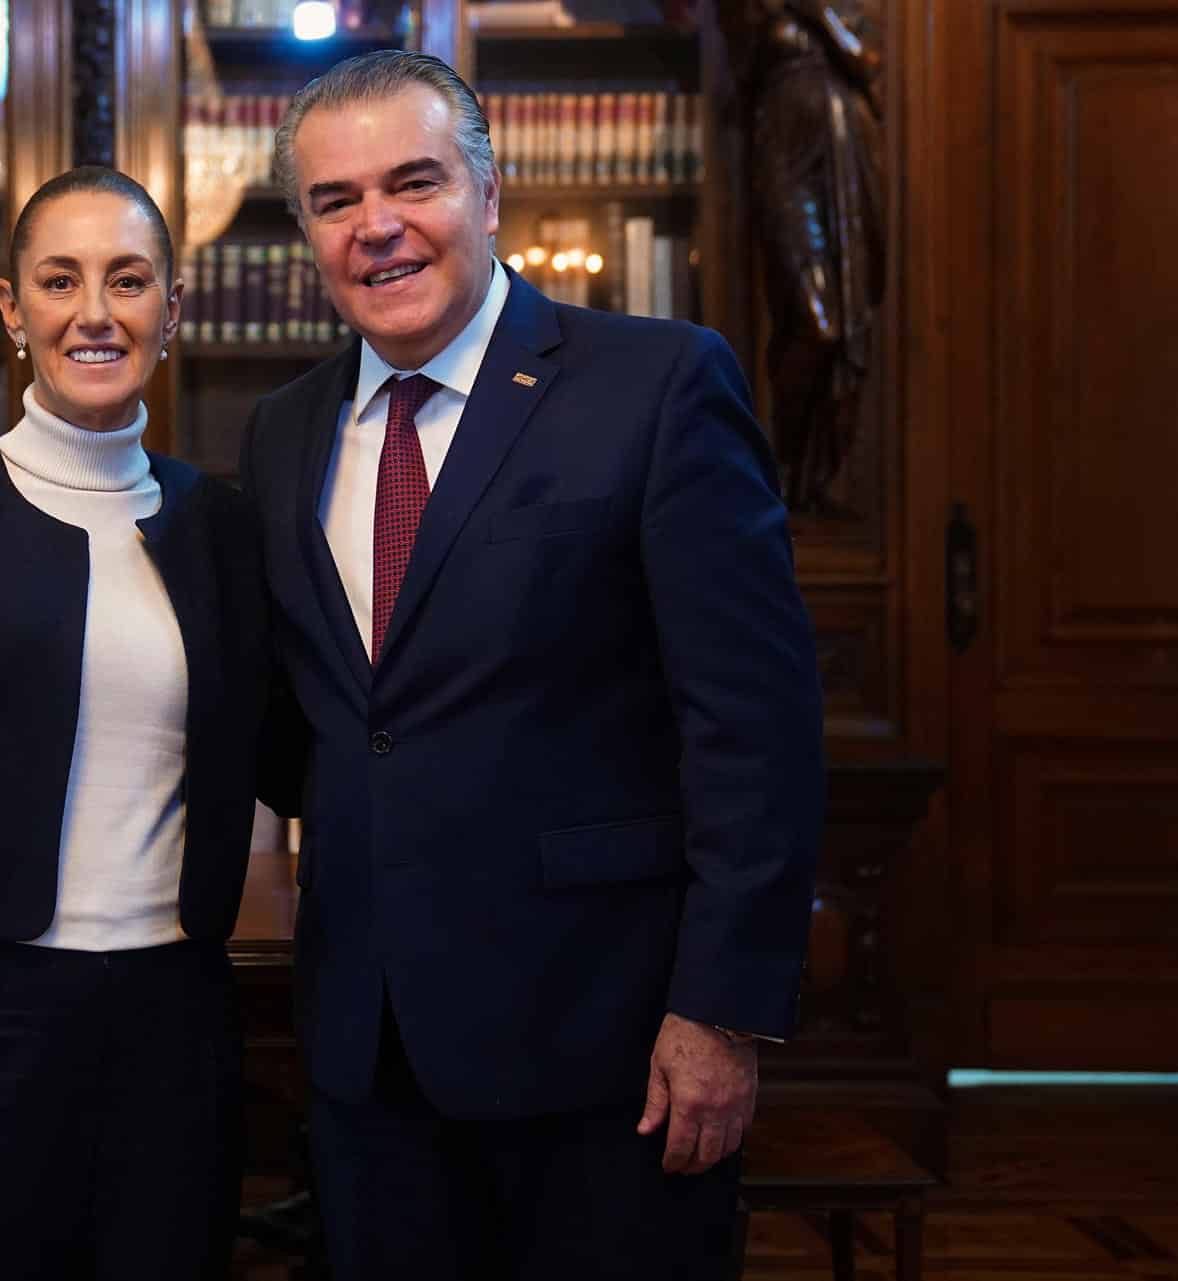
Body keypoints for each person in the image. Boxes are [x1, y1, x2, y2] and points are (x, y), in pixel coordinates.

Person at [239, 51, 825, 1279]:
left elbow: (753, 729)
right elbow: (324, 725)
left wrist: (719, 1009)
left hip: (605, 1046)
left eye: (414, 182)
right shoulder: (284, 430)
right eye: (337, 201)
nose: (379, 227)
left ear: (490, 196)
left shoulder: (657, 384)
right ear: (306, 231)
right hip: (369, 1050)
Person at [0, 165, 291, 1280]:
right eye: (60, 280)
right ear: (11, 308)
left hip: (175, 1014)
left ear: (171, 313)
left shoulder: (222, 525)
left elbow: (296, 749)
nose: (95, 311)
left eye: (128, 280)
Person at [742, 0, 886, 515]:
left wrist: (817, 12)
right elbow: (740, 61)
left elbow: (867, 62)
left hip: (840, 146)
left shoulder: (844, 9)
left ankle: (812, 479)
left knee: (841, 324)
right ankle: (779, 464)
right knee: (812, 320)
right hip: (782, 151)